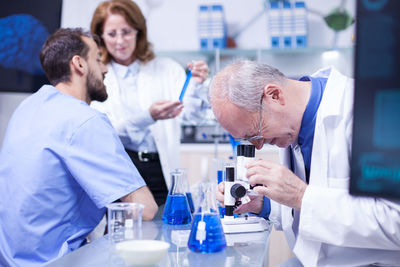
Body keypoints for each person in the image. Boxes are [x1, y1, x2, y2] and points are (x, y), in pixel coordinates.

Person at [210, 60, 400, 267]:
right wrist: (263, 204)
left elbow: (395, 222)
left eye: (255, 133)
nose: (259, 146)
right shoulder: (292, 126)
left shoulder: (370, 111)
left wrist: (300, 196)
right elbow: (313, 208)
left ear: (274, 95)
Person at [0, 28, 158, 266]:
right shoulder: (84, 120)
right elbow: (145, 209)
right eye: (97, 59)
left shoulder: (27, 108)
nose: (105, 69)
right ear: (79, 64)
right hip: (56, 261)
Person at [90, 0, 209, 206]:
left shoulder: (167, 69)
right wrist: (149, 117)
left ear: (138, 31)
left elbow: (191, 115)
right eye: (112, 34)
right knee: (121, 233)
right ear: (100, 37)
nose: (120, 41)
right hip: (121, 171)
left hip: (159, 169)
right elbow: (106, 131)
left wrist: (197, 84)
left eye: (126, 31)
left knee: (168, 229)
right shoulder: (97, 75)